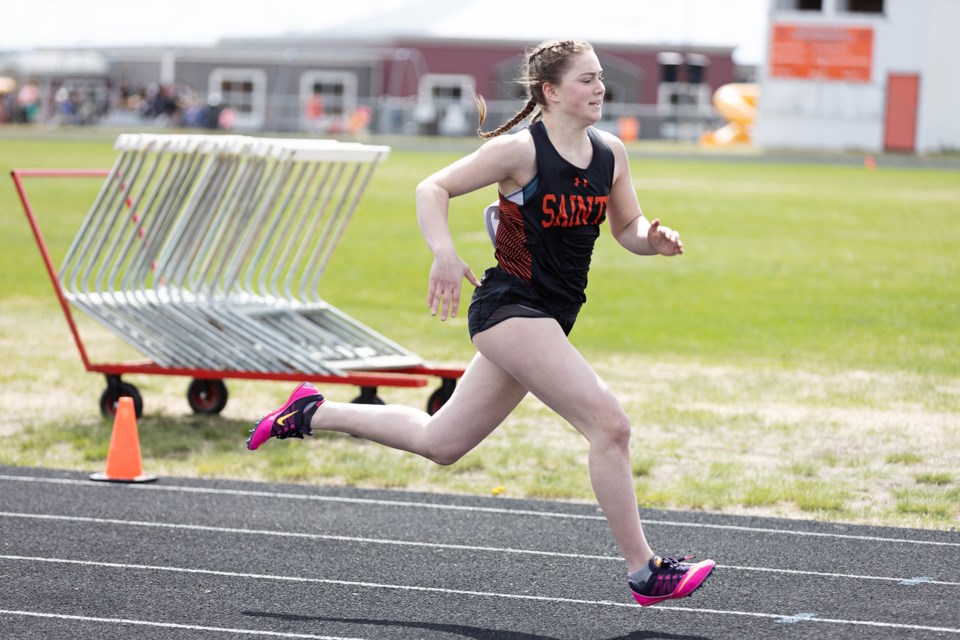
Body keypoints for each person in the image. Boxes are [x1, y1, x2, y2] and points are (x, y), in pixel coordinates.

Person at [247, 39, 715, 607]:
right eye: (587, 80)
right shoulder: (518, 152)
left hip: (550, 318)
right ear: (551, 91)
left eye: (599, 79)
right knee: (609, 426)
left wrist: (653, 242)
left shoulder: (611, 152)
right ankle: (645, 572)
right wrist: (443, 252)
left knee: (441, 442)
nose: (599, 89)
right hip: (509, 309)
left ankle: (312, 412)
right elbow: (432, 187)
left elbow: (628, 226)